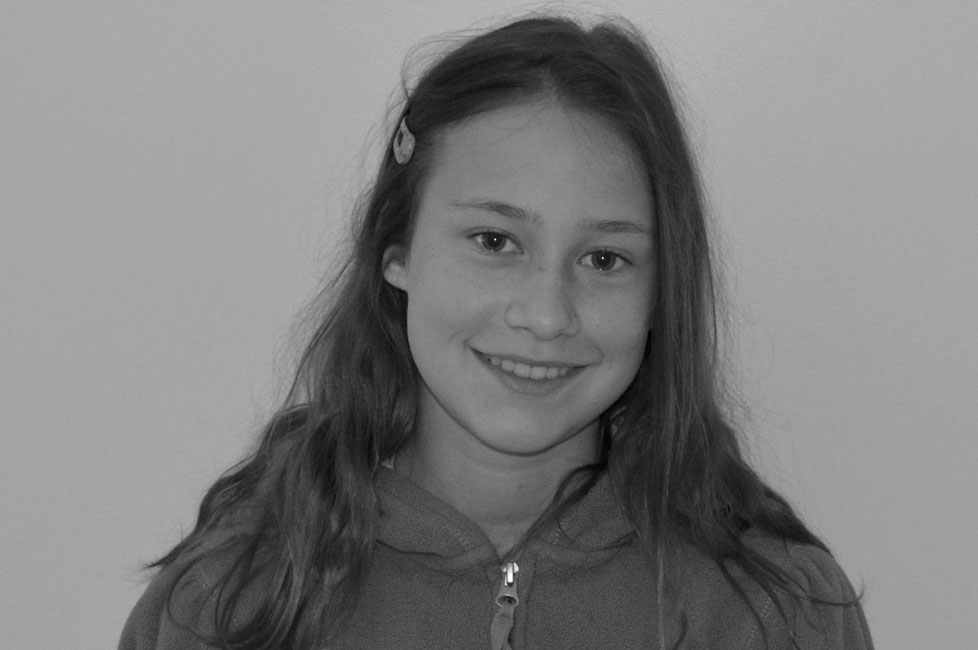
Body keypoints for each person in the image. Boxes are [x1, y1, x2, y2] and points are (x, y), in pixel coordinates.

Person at [119, 14, 873, 650]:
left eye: (604, 259)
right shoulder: (230, 599)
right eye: (494, 241)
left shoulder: (777, 614)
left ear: (660, 294)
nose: (546, 314)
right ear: (397, 252)